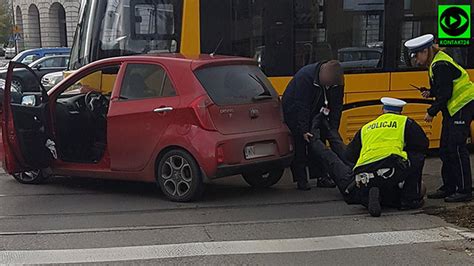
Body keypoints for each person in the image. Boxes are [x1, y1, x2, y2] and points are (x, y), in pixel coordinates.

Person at [309, 97, 429, 217]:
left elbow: (349, 155)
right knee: (417, 157)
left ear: (383, 110)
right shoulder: (406, 122)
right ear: (400, 111)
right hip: (390, 170)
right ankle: (409, 200)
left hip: (362, 172)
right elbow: (423, 145)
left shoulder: (367, 127)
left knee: (333, 162)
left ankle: (314, 134)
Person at [405, 34, 473, 202]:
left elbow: (446, 93)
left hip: (463, 106)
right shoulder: (436, 63)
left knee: (457, 147)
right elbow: (442, 87)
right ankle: (449, 186)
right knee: (445, 148)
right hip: (453, 109)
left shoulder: (440, 64)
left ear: (426, 51)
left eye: (416, 56)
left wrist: (431, 111)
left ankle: (464, 190)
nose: (416, 61)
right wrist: (430, 92)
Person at [282, 60, 345, 191]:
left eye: (330, 85)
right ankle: (301, 180)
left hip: (317, 112)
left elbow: (337, 106)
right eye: (327, 84)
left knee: (319, 144)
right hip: (294, 112)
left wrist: (333, 128)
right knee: (300, 145)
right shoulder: (305, 77)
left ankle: (321, 177)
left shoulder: (337, 81)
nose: (328, 86)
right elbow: (301, 105)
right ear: (322, 73)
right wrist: (304, 130)